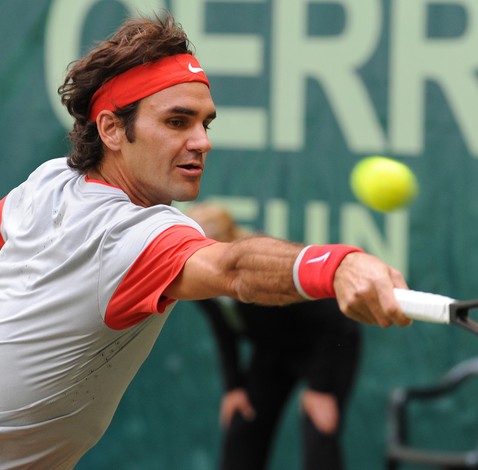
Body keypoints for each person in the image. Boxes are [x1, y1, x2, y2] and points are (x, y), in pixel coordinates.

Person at [0, 12, 410, 469]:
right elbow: (233, 268)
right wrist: (337, 266)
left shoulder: (49, 180)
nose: (202, 142)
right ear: (112, 129)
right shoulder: (131, 235)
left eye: (205, 124)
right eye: (177, 122)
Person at [188, 203, 361, 470]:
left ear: (227, 245)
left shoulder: (265, 268)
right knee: (243, 424)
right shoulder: (195, 272)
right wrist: (233, 387)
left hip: (324, 349)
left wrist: (322, 388)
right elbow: (222, 328)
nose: (196, 260)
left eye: (204, 252)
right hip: (272, 354)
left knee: (319, 430)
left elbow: (337, 320)